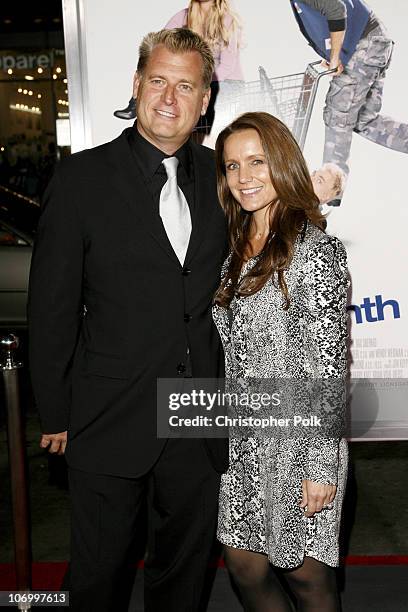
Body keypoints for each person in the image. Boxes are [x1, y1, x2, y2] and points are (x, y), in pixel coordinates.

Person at [28, 28, 228, 612]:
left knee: (184, 575)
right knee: (97, 578)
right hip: (106, 416)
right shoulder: (80, 179)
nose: (169, 97)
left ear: (205, 101)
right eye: (159, 81)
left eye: (185, 86)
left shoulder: (225, 179)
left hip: (200, 415)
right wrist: (57, 412)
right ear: (137, 85)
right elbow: (52, 307)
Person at [212, 111, 348, 610]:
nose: (244, 177)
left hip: (299, 442)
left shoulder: (315, 250)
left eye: (257, 162)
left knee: (307, 579)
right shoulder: (232, 249)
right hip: (243, 441)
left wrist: (321, 465)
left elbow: (328, 366)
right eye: (231, 166)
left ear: (283, 164)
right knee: (245, 566)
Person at [290, 0, 408, 204]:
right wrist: (330, 54)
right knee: (363, 121)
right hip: (373, 41)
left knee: (339, 117)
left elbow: (337, 9)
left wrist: (336, 56)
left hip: (364, 45)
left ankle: (326, 196)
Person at [114, 0, 243, 123]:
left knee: (191, 105)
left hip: (226, 81)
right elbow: (159, 45)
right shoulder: (183, 16)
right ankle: (134, 104)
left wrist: (196, 82)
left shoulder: (227, 20)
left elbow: (227, 66)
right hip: (197, 80)